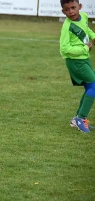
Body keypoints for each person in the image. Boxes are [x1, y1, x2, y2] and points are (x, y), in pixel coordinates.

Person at [60, 0, 95, 133]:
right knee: (94, 86)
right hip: (75, 61)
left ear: (79, 6)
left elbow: (87, 30)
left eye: (73, 8)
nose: (71, 12)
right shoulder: (67, 26)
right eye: (67, 9)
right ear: (63, 11)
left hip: (84, 59)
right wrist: (84, 49)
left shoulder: (84, 16)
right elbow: (64, 49)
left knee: (89, 87)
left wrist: (93, 37)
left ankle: (77, 119)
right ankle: (81, 118)